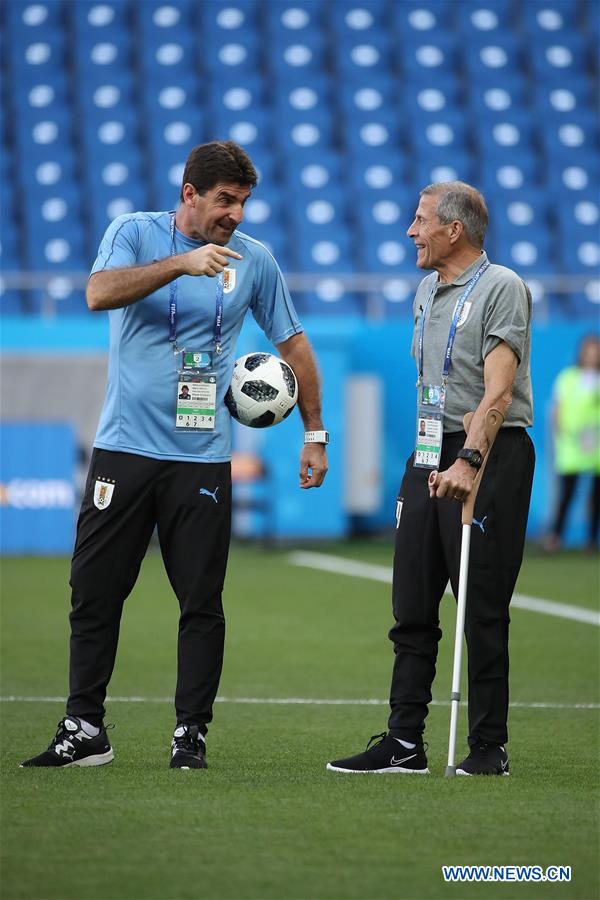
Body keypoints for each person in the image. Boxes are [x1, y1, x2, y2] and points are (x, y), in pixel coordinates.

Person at [21, 140, 329, 770]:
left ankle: (190, 735)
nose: (236, 215)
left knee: (201, 600)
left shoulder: (256, 261)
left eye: (243, 202)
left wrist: (315, 432)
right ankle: (85, 728)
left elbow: (294, 344)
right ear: (190, 193)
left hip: (201, 458)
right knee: (94, 592)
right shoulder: (133, 233)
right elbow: (98, 293)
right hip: (124, 450)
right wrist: (180, 265)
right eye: (225, 200)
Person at [327, 181, 534, 777]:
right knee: (412, 602)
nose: (410, 232)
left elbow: (498, 390)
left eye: (419, 221)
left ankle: (488, 747)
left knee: (482, 605)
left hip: (488, 451)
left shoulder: (503, 288)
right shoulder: (423, 290)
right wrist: (435, 461)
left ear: (454, 229)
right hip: (425, 451)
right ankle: (403, 742)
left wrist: (470, 461)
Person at [543, 334, 600, 553]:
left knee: (596, 496)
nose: (592, 356)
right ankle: (555, 537)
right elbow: (557, 407)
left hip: (596, 446)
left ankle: (591, 541)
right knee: (566, 494)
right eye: (589, 351)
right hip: (572, 445)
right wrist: (560, 433)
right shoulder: (568, 378)